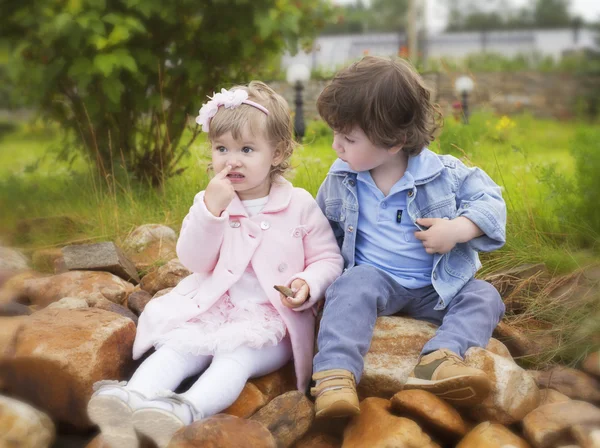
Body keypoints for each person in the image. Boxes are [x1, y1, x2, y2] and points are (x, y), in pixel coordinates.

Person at [87, 81, 343, 447]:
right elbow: (192, 259)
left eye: (246, 149)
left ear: (277, 152)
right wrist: (211, 211)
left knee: (234, 357)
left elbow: (327, 258)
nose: (231, 159)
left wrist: (307, 282)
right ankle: (132, 396)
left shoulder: (298, 203)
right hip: (213, 306)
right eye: (222, 148)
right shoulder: (209, 201)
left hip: (269, 319)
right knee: (178, 348)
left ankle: (185, 409)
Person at [310, 56, 507, 418]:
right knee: (352, 285)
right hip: (376, 281)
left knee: (485, 295)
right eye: (336, 134)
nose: (336, 146)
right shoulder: (342, 177)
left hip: (437, 290)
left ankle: (439, 358)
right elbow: (319, 231)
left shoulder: (445, 175)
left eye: (348, 138)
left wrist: (459, 229)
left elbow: (491, 203)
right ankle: (334, 375)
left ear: (395, 141)